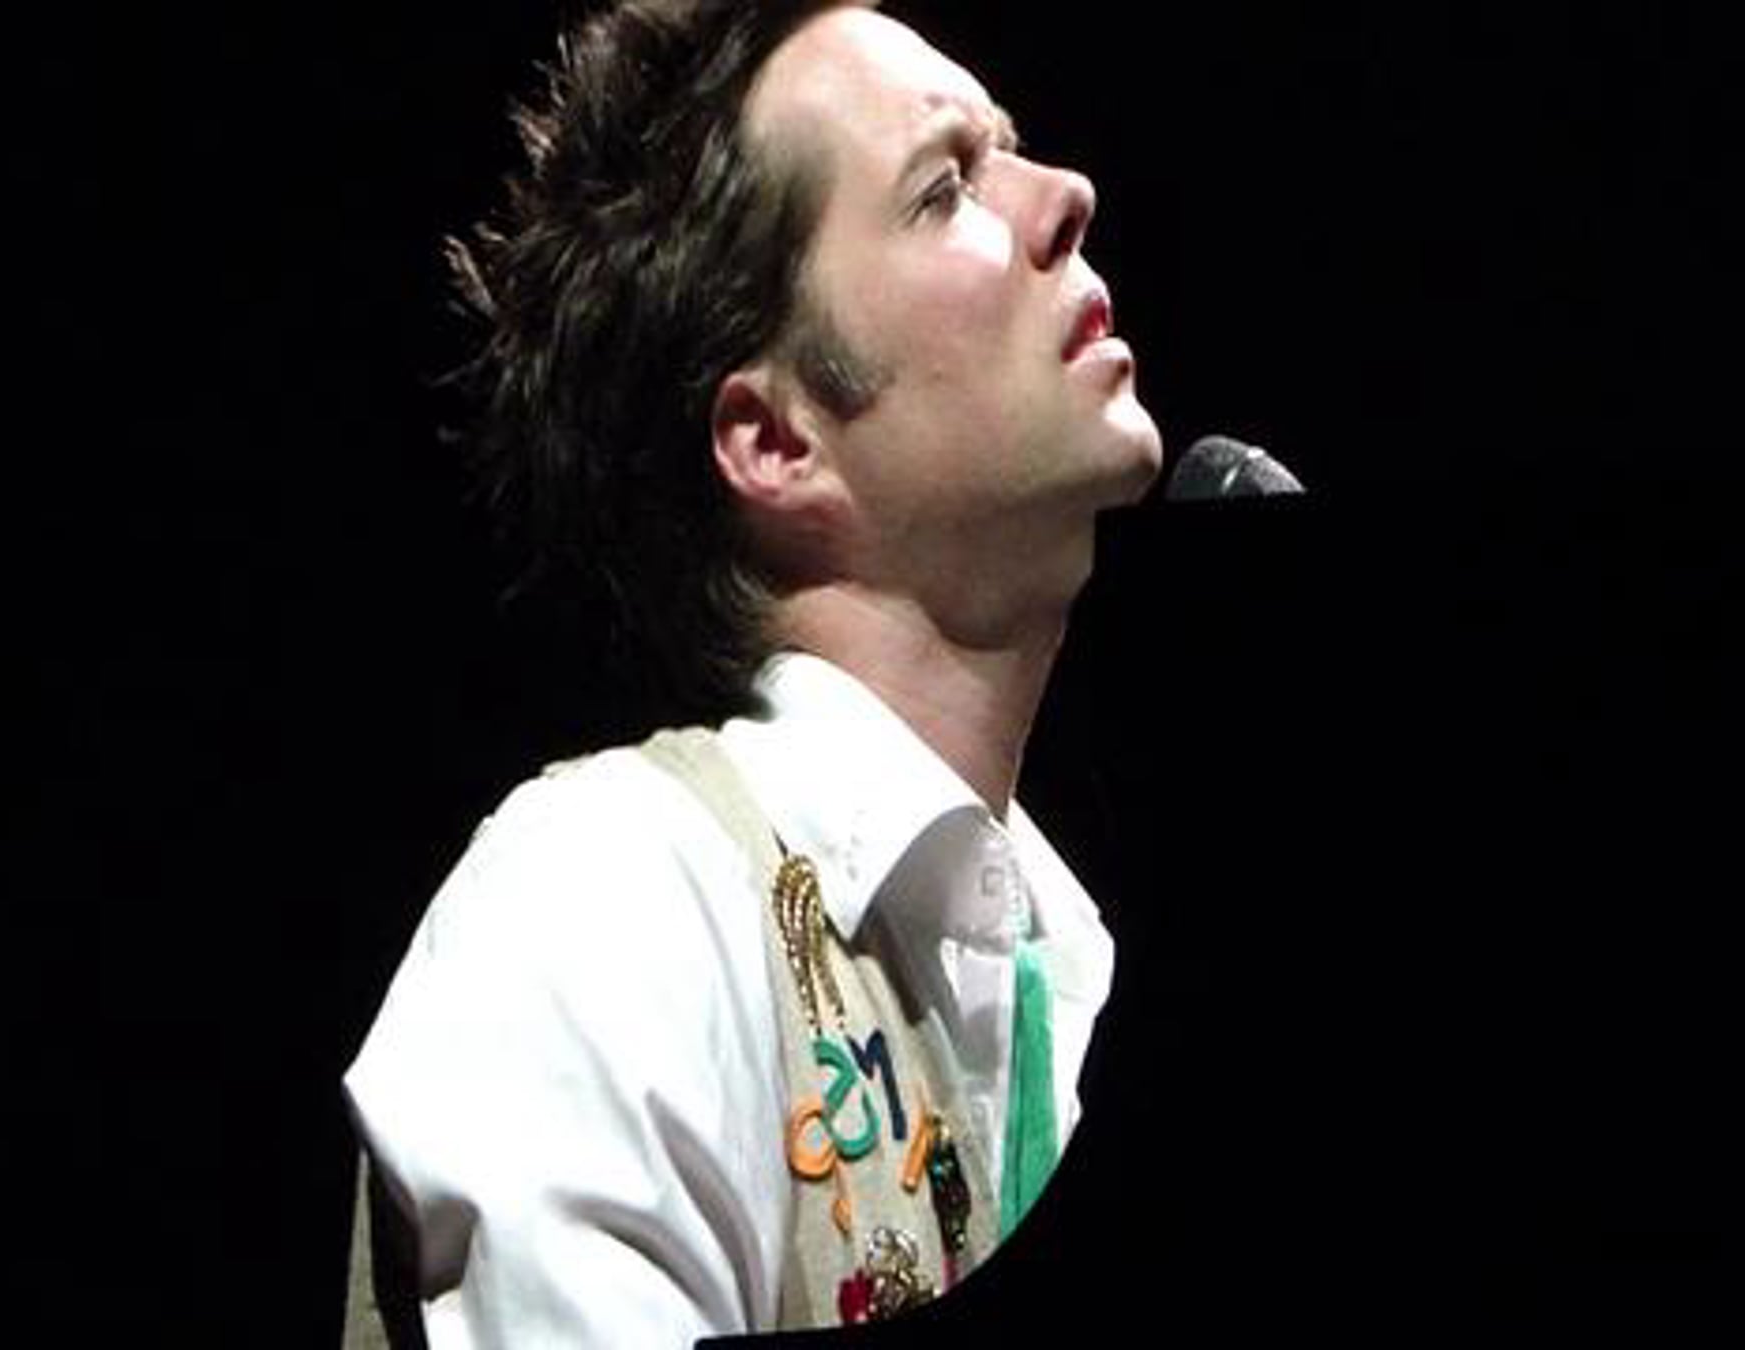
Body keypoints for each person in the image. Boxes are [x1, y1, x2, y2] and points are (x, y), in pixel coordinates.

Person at [342, 0, 1162, 1341]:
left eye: (1010, 150)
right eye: (945, 185)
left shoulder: (1072, 967)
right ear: (778, 441)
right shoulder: (612, 898)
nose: (1066, 195)